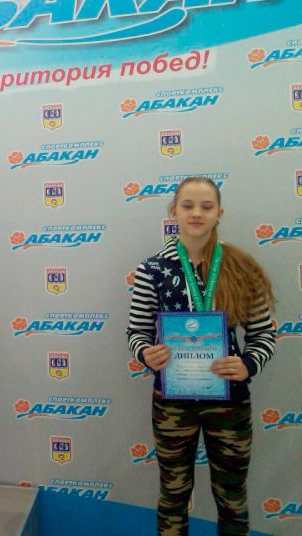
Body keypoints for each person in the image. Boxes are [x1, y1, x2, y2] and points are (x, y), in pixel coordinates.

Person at [127, 176, 276, 536]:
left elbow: (263, 334)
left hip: (230, 400)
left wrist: (247, 364)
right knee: (173, 495)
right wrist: (146, 353)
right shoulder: (152, 270)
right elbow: (136, 332)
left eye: (206, 207)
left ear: (219, 213)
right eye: (188, 205)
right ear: (173, 211)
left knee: (232, 498)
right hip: (173, 402)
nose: (197, 213)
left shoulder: (241, 266)